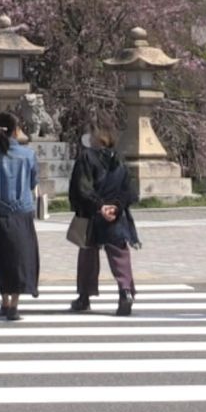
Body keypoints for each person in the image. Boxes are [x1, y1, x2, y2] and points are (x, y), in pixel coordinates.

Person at [68, 126, 140, 316]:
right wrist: (116, 206)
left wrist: (99, 206)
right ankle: (125, 291)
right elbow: (129, 191)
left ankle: (84, 297)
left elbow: (81, 188)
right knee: (120, 255)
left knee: (87, 256)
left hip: (93, 215)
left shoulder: (86, 157)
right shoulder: (119, 159)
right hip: (117, 215)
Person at [0, 112, 40, 320]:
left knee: (1, 256)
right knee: (22, 256)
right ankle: (14, 302)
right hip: (22, 210)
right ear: (16, 130)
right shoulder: (28, 155)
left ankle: (4, 299)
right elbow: (33, 183)